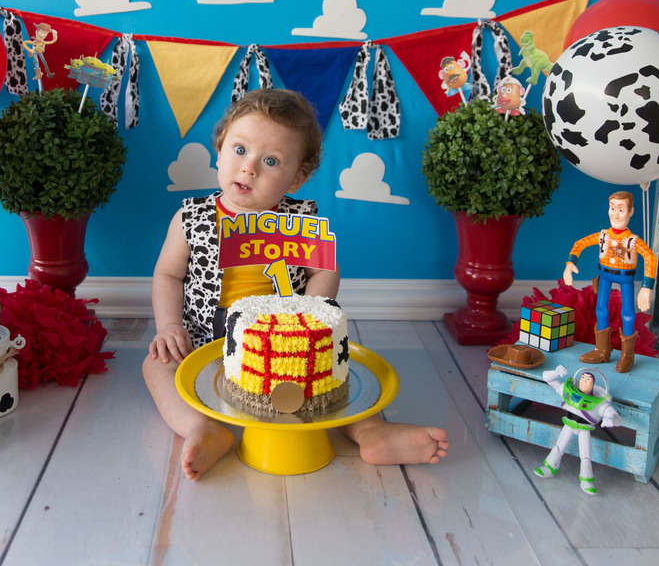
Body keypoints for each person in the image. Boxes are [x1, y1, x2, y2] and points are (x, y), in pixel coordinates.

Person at [143, 88, 449, 480]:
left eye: (270, 161)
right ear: (219, 151)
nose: (249, 168)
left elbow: (326, 270)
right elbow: (168, 275)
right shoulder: (191, 218)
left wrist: (308, 314)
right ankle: (203, 429)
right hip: (204, 341)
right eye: (239, 150)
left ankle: (370, 432)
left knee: (331, 372)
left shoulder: (299, 222)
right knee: (156, 366)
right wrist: (170, 326)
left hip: (281, 346)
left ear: (297, 179)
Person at [562, 191, 656, 372]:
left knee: (628, 313)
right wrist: (570, 263)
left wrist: (646, 287)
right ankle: (602, 349)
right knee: (601, 309)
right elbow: (580, 243)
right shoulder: (603, 235)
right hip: (604, 276)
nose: (616, 215)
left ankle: (627, 355)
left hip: (626, 279)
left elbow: (650, 258)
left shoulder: (633, 240)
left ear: (631, 212)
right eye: (612, 209)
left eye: (621, 210)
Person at [532, 365, 620, 495]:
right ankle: (550, 467)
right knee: (558, 446)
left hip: (585, 428)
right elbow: (547, 378)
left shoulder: (599, 403)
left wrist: (610, 418)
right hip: (569, 423)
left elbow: (613, 415)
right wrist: (556, 372)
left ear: (593, 384)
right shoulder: (570, 391)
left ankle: (586, 480)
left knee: (585, 455)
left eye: (588, 379)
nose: (584, 380)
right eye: (583, 377)